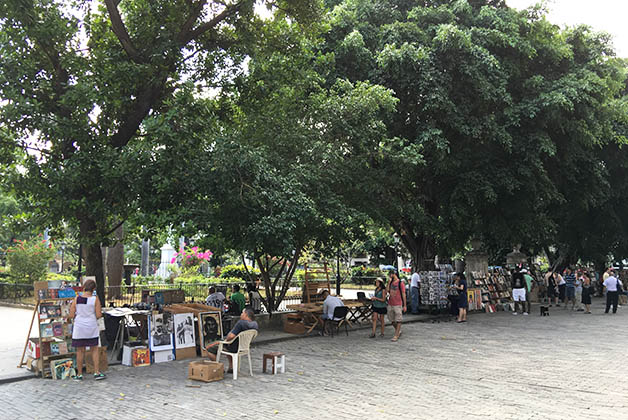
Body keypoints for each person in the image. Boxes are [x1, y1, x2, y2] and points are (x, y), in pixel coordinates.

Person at [69, 279, 105, 381]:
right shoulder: (95, 299)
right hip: (91, 327)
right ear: (94, 289)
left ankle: (79, 374)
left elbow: (71, 314)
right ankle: (96, 372)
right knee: (94, 349)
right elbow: (98, 315)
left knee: (80, 351)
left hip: (79, 328)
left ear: (84, 287)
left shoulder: (77, 299)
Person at [205, 306, 258, 373]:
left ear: (246, 315)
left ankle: (220, 368)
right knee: (227, 344)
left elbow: (230, 336)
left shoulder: (241, 323)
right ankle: (231, 367)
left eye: (242, 313)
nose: (241, 314)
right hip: (244, 346)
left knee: (209, 349)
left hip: (233, 347)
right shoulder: (255, 324)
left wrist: (225, 340)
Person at [386, 271, 406, 342]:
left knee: (398, 320)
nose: (390, 276)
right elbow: (387, 291)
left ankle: (396, 335)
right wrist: (388, 283)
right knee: (391, 319)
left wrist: (404, 305)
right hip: (391, 303)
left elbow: (403, 294)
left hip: (398, 303)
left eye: (391, 274)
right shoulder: (390, 282)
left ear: (395, 274)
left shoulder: (401, 283)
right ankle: (398, 330)